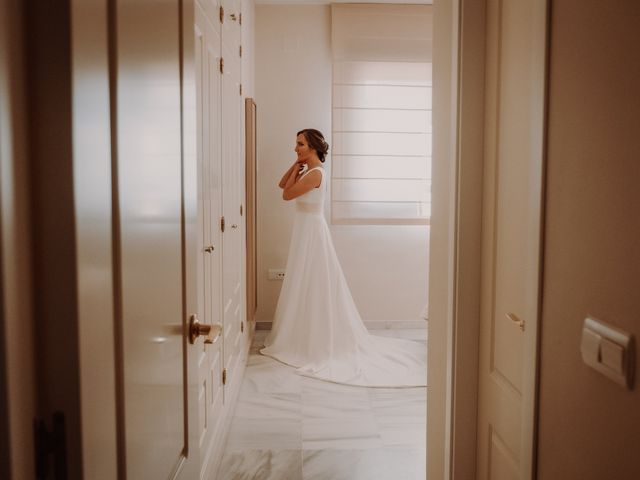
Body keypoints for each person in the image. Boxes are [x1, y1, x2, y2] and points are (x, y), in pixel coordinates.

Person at [260, 128, 426, 387]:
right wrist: (296, 163)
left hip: (312, 232)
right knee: (304, 281)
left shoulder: (315, 174)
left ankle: (316, 338)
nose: (296, 148)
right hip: (305, 230)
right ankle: (301, 333)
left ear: (313, 146)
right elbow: (282, 184)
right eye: (296, 144)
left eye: (300, 145)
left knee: (315, 281)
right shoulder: (307, 169)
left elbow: (286, 194)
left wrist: (301, 166)